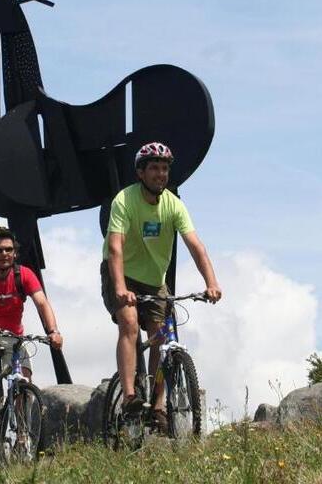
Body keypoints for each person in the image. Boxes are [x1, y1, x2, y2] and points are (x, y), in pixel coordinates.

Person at [101, 141, 221, 432]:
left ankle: (157, 407)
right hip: (121, 273)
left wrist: (211, 283)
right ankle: (129, 396)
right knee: (129, 323)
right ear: (140, 173)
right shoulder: (124, 200)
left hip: (155, 281)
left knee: (161, 338)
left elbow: (196, 246)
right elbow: (115, 248)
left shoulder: (174, 205)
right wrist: (120, 288)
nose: (160, 174)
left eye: (165, 168)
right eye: (154, 168)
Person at [0, 226, 64, 416]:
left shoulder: (24, 274)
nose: (4, 254)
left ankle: (22, 430)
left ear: (15, 252)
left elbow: (42, 303)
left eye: (9, 249)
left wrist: (53, 331)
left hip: (15, 338)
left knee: (24, 385)